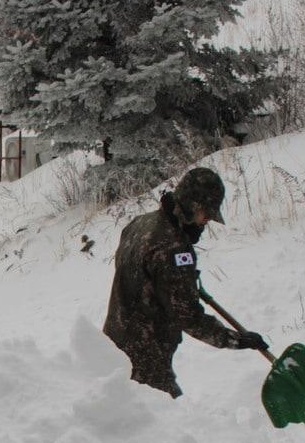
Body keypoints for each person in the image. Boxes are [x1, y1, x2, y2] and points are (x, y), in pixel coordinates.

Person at [102, 167, 268, 398]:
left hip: (113, 342)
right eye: (206, 215)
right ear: (193, 206)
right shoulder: (172, 248)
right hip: (146, 355)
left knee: (126, 413)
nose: (206, 222)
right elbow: (187, 316)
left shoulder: (140, 224)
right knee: (162, 419)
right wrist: (235, 339)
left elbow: (141, 276)